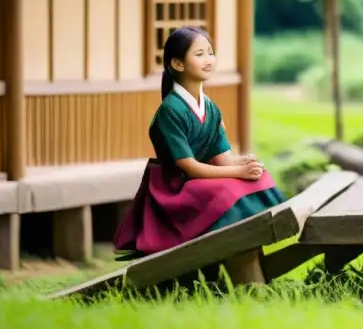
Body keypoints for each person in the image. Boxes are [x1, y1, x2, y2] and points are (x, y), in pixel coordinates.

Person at [114, 26, 287, 259]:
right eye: (199, 54)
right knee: (228, 188)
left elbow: (222, 159)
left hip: (201, 179)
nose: (208, 59)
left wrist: (241, 164)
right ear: (177, 64)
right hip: (175, 188)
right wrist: (237, 171)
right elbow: (188, 167)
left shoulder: (211, 108)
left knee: (260, 178)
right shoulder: (170, 111)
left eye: (210, 52)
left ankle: (245, 247)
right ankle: (224, 249)